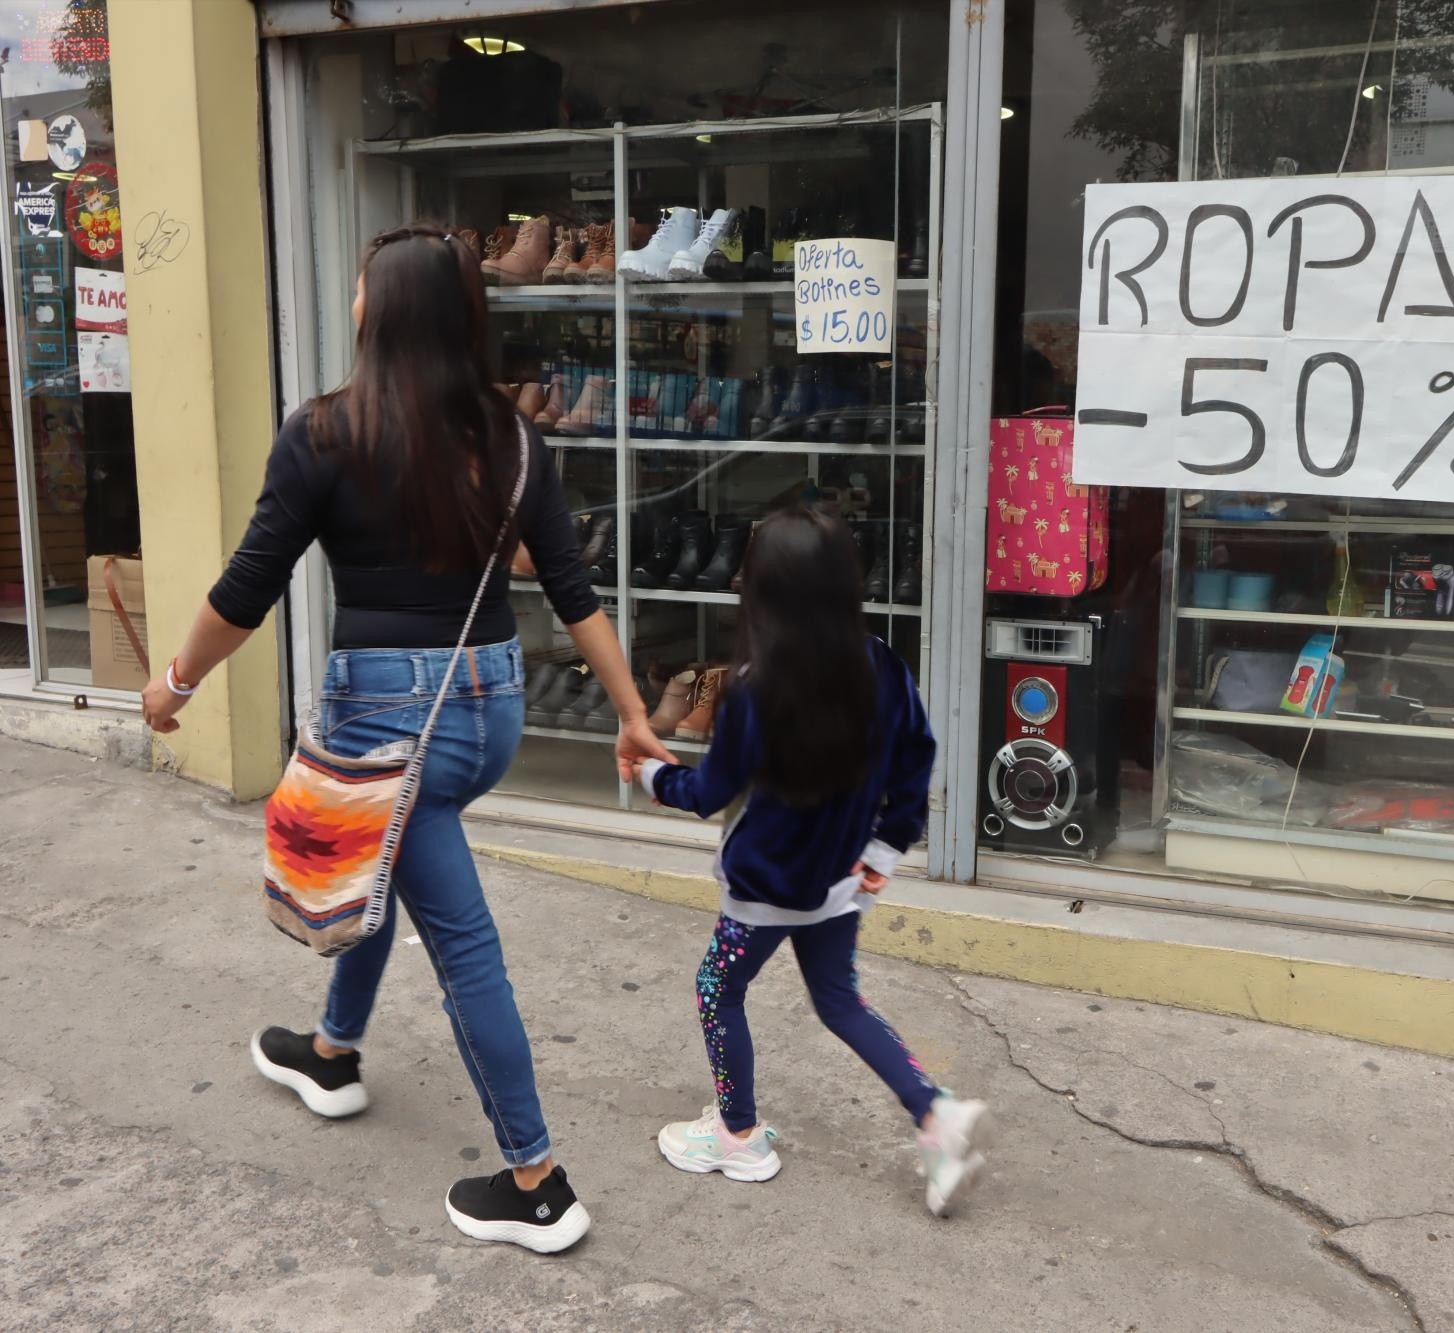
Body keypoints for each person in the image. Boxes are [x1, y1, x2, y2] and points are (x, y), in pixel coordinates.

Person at [140, 223, 670, 1254]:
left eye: (355, 289)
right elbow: (572, 592)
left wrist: (174, 683)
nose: (348, 302)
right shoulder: (514, 438)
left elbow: (249, 588)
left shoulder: (325, 433)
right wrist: (631, 710)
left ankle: (538, 1180)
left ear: (378, 313)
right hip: (490, 706)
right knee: (387, 854)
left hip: (390, 719)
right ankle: (333, 1051)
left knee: (465, 945)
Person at [638, 506, 993, 1216]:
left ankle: (738, 1134)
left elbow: (709, 791)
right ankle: (933, 1112)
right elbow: (916, 758)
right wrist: (889, 844)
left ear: (760, 588)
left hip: (766, 887)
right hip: (840, 876)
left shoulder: (751, 685)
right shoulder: (881, 663)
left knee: (717, 990)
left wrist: (649, 773)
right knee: (839, 999)